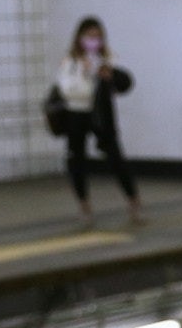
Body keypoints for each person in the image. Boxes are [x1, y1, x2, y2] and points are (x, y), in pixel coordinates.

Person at [55, 16, 141, 227]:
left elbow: (121, 84)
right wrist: (85, 75)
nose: (94, 41)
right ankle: (84, 205)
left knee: (115, 157)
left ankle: (133, 201)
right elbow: (66, 90)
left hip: (102, 114)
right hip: (77, 113)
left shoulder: (108, 58)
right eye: (90, 36)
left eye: (98, 37)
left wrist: (108, 75)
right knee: (77, 158)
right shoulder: (71, 61)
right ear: (80, 37)